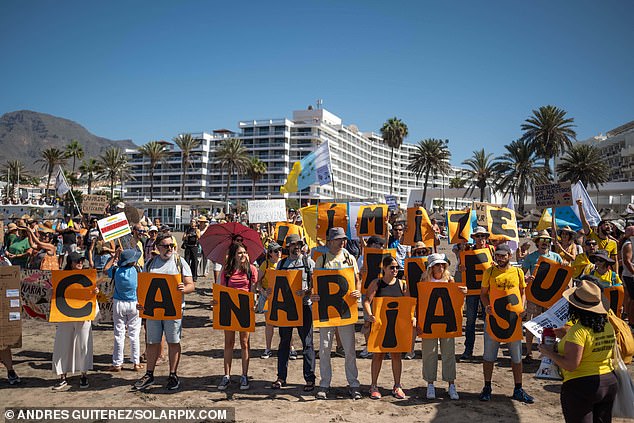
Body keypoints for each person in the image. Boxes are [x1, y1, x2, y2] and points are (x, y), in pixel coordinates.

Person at [538, 280, 617, 422]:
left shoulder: (578, 331)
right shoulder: (607, 326)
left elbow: (571, 365)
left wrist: (549, 352)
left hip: (581, 385)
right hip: (608, 381)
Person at [134, 233, 195, 392]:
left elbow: (191, 285)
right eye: (166, 246)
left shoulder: (179, 262)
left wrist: (184, 288)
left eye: (172, 246)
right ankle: (149, 374)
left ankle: (173, 375)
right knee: (152, 342)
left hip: (173, 310)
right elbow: (143, 287)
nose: (169, 249)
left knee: (173, 342)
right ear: (157, 247)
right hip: (153, 311)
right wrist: (141, 303)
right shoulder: (150, 263)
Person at [479, 244, 534, 404]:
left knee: (516, 357)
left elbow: (522, 291)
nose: (500, 258)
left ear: (509, 255)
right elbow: (483, 294)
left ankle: (518, 388)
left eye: (503, 256)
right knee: (489, 356)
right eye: (497, 256)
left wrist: (523, 307)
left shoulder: (517, 272)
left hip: (513, 321)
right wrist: (486, 306)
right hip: (494, 320)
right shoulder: (489, 272)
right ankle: (487, 387)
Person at [312, 227, 362, 400]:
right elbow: (315, 282)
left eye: (344, 239)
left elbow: (357, 280)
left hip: (345, 310)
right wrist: (314, 294)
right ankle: (325, 383)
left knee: (349, 349)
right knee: (325, 349)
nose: (343, 242)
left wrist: (358, 291)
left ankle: (354, 383)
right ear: (330, 241)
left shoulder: (350, 258)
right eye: (339, 239)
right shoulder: (322, 259)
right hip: (326, 311)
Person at [270, 234, 317, 393]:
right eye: (293, 244)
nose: (296, 247)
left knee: (307, 343)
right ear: (288, 246)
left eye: (298, 244)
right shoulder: (281, 264)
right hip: (287, 309)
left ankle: (310, 378)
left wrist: (307, 292)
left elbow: (315, 285)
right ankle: (281, 377)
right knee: (284, 343)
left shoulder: (309, 262)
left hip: (304, 307)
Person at [419, 253, 467, 400]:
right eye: (437, 265)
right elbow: (418, 303)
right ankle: (430, 384)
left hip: (448, 323)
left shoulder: (450, 280)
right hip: (428, 323)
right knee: (429, 354)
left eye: (442, 265)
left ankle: (451, 384)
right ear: (431, 267)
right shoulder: (424, 280)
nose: (440, 267)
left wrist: (463, 293)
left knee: (449, 354)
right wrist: (416, 321)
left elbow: (457, 302)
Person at [364, 256, 411, 400]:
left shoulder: (402, 284)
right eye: (392, 267)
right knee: (378, 354)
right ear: (384, 268)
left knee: (396, 355)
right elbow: (366, 300)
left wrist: (411, 317)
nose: (395, 270)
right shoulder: (377, 283)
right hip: (379, 324)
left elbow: (408, 303)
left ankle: (397, 385)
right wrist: (369, 314)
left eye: (397, 267)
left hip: (396, 325)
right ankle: (373, 386)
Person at [52, 252, 99, 390]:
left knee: (84, 344)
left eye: (81, 260)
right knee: (63, 345)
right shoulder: (61, 276)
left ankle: (84, 375)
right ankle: (62, 376)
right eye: (77, 261)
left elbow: (92, 293)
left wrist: (94, 291)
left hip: (83, 315)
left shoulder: (87, 276)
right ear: (70, 262)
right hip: (65, 315)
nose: (80, 263)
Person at [215, 242, 258, 391]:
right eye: (239, 253)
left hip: (245, 308)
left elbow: (253, 290)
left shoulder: (251, 270)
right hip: (229, 308)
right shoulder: (227, 270)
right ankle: (226, 375)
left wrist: (254, 301)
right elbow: (221, 289)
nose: (243, 255)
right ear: (233, 255)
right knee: (229, 342)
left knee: (244, 343)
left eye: (245, 252)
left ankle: (244, 375)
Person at [522, 229, 563, 362]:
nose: (545, 243)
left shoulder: (556, 257)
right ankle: (528, 352)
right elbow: (521, 274)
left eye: (547, 241)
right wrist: (526, 278)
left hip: (550, 298)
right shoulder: (530, 257)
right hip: (533, 297)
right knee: (530, 323)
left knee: (550, 326)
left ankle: (548, 353)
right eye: (542, 240)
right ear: (537, 242)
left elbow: (562, 276)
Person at [104, 248, 143, 372]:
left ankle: (117, 363)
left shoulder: (116, 270)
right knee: (134, 334)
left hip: (119, 303)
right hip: (134, 303)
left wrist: (114, 257)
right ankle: (136, 363)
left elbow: (105, 269)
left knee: (119, 334)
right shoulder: (137, 270)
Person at [459, 226, 494, 360]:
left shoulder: (491, 250)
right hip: (472, 291)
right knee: (470, 321)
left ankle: (488, 350)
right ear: (474, 238)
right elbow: (460, 269)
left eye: (483, 236)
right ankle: (468, 350)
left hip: (487, 291)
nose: (481, 239)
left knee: (488, 320)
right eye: (478, 236)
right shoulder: (467, 251)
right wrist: (462, 268)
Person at [357, 236, 387, 359]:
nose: (379, 247)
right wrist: (361, 272)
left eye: (380, 245)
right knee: (368, 321)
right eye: (377, 245)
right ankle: (369, 345)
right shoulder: (362, 258)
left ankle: (383, 345)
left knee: (383, 320)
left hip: (382, 292)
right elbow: (357, 276)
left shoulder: (385, 256)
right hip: (367, 292)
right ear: (370, 245)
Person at [578, 199, 619, 273]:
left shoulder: (613, 243)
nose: (609, 227)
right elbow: (584, 221)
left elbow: (615, 261)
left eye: (610, 225)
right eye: (606, 224)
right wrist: (580, 206)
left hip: (605, 274)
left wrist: (616, 275)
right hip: (591, 272)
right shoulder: (591, 236)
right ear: (600, 226)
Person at [257, 241, 282, 359]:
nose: (279, 253)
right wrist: (263, 291)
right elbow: (257, 282)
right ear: (270, 253)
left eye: (280, 250)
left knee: (285, 323)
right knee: (269, 323)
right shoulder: (265, 264)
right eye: (276, 251)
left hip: (282, 297)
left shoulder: (283, 263)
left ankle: (290, 348)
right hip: (269, 297)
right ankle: (268, 348)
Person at [621, 225, 634, 326]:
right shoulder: (628, 244)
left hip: (631, 275)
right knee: (632, 299)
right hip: (630, 276)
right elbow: (627, 261)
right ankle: (631, 322)